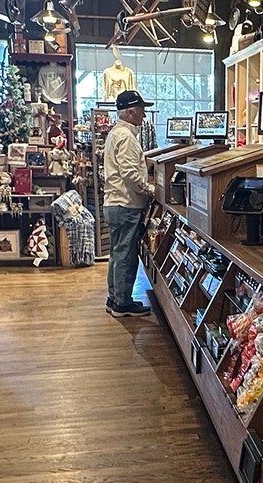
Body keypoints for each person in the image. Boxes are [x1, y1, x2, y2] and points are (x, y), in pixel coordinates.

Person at [103, 90, 155, 317]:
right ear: (131, 111)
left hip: (114, 203)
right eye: (142, 110)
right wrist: (151, 190)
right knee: (126, 254)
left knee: (117, 253)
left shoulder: (116, 133)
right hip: (126, 204)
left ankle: (114, 298)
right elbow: (130, 174)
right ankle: (122, 304)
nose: (144, 116)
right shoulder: (126, 137)